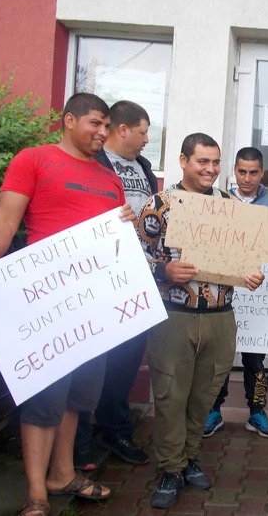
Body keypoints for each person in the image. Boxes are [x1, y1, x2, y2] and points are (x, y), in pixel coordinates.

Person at [0, 93, 135, 516]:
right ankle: (36, 493)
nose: (103, 133)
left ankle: (63, 474)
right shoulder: (33, 160)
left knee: (79, 398)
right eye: (95, 123)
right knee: (45, 398)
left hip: (94, 311)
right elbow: (2, 226)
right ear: (69, 121)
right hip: (46, 308)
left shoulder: (110, 179)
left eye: (107, 125)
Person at [137, 133, 265, 509]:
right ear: (183, 160)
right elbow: (132, 259)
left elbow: (244, 256)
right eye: (201, 161)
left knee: (203, 396)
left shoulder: (229, 204)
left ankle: (189, 458)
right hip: (174, 318)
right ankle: (170, 469)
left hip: (221, 318)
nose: (210, 169)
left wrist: (250, 274)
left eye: (215, 162)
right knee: (170, 396)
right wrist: (163, 270)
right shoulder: (159, 205)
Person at [74, 100, 157, 471]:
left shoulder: (145, 168)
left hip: (138, 276)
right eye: (142, 132)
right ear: (123, 130)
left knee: (126, 357)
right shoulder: (93, 164)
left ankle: (115, 428)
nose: (146, 140)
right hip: (100, 276)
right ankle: (79, 441)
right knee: (90, 358)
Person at [203, 147, 268, 439]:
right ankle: (214, 410)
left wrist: (253, 227)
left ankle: (256, 411)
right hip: (227, 292)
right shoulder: (220, 199)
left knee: (255, 359)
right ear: (234, 170)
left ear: (262, 171)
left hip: (261, 294)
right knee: (221, 355)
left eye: (253, 172)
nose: (247, 178)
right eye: (241, 171)